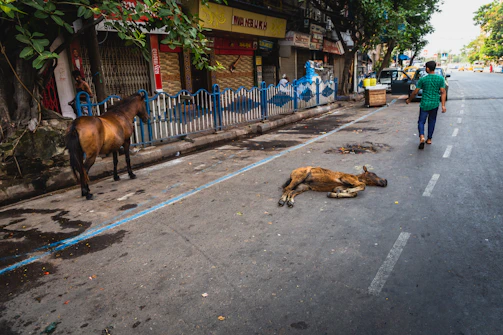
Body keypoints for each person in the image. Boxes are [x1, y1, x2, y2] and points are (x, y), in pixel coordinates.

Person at [406, 60, 446, 149]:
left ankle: (422, 137)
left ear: (427, 68)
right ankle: (429, 139)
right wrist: (443, 105)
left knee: (421, 121)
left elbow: (415, 92)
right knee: (432, 121)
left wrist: (409, 99)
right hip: (435, 104)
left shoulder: (423, 79)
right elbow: (443, 92)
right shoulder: (440, 79)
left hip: (424, 104)